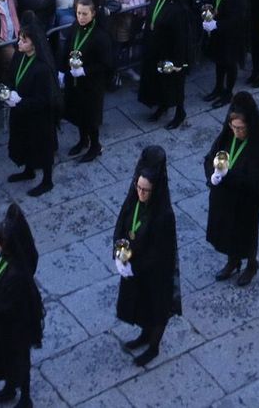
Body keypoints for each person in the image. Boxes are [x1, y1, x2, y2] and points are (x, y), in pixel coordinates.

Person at [112, 145, 180, 367]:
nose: (140, 193)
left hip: (155, 271)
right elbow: (122, 225)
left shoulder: (164, 215)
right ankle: (144, 334)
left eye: (145, 190)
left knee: (156, 308)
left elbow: (160, 252)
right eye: (138, 187)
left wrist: (135, 266)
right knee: (140, 303)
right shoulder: (134, 199)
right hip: (134, 262)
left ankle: (153, 347)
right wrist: (120, 253)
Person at [202, 90, 259, 286]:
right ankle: (232, 262)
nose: (237, 132)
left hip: (246, 199)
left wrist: (227, 175)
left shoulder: (257, 144)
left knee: (246, 234)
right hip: (224, 196)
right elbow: (210, 158)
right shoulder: (226, 137)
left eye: (241, 128)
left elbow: (255, 177)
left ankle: (251, 264)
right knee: (227, 231)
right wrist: (212, 176)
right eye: (234, 127)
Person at [0, 204, 43, 407]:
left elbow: (4, 306)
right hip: (7, 323)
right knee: (8, 357)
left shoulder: (16, 275)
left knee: (19, 359)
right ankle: (9, 389)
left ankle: (25, 398)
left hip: (18, 325)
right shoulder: (7, 257)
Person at [3, 20, 59, 197]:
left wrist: (20, 102)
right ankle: (28, 170)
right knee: (25, 142)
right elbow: (11, 76)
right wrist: (8, 92)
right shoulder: (19, 57)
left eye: (24, 40)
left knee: (43, 147)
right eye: (20, 39)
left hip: (39, 117)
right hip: (21, 112)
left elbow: (44, 99)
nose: (19, 43)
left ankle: (47, 181)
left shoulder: (42, 68)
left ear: (34, 43)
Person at [137, 0, 189, 129]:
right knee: (159, 82)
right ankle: (162, 106)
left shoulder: (178, 9)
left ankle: (180, 113)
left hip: (171, 53)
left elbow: (181, 38)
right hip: (155, 48)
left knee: (174, 84)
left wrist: (178, 62)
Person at [62, 0, 111, 161]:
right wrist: (62, 70)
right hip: (75, 82)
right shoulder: (75, 27)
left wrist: (84, 71)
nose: (81, 18)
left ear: (93, 13)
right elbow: (66, 47)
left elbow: (105, 63)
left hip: (91, 84)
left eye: (85, 14)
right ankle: (83, 140)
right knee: (78, 113)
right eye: (78, 13)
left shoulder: (100, 35)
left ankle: (95, 145)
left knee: (91, 116)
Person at [201, 0, 248, 107]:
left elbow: (238, 18)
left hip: (232, 34)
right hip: (219, 31)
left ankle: (228, 93)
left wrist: (217, 25)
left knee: (229, 63)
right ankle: (218, 88)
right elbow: (214, 0)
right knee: (219, 61)